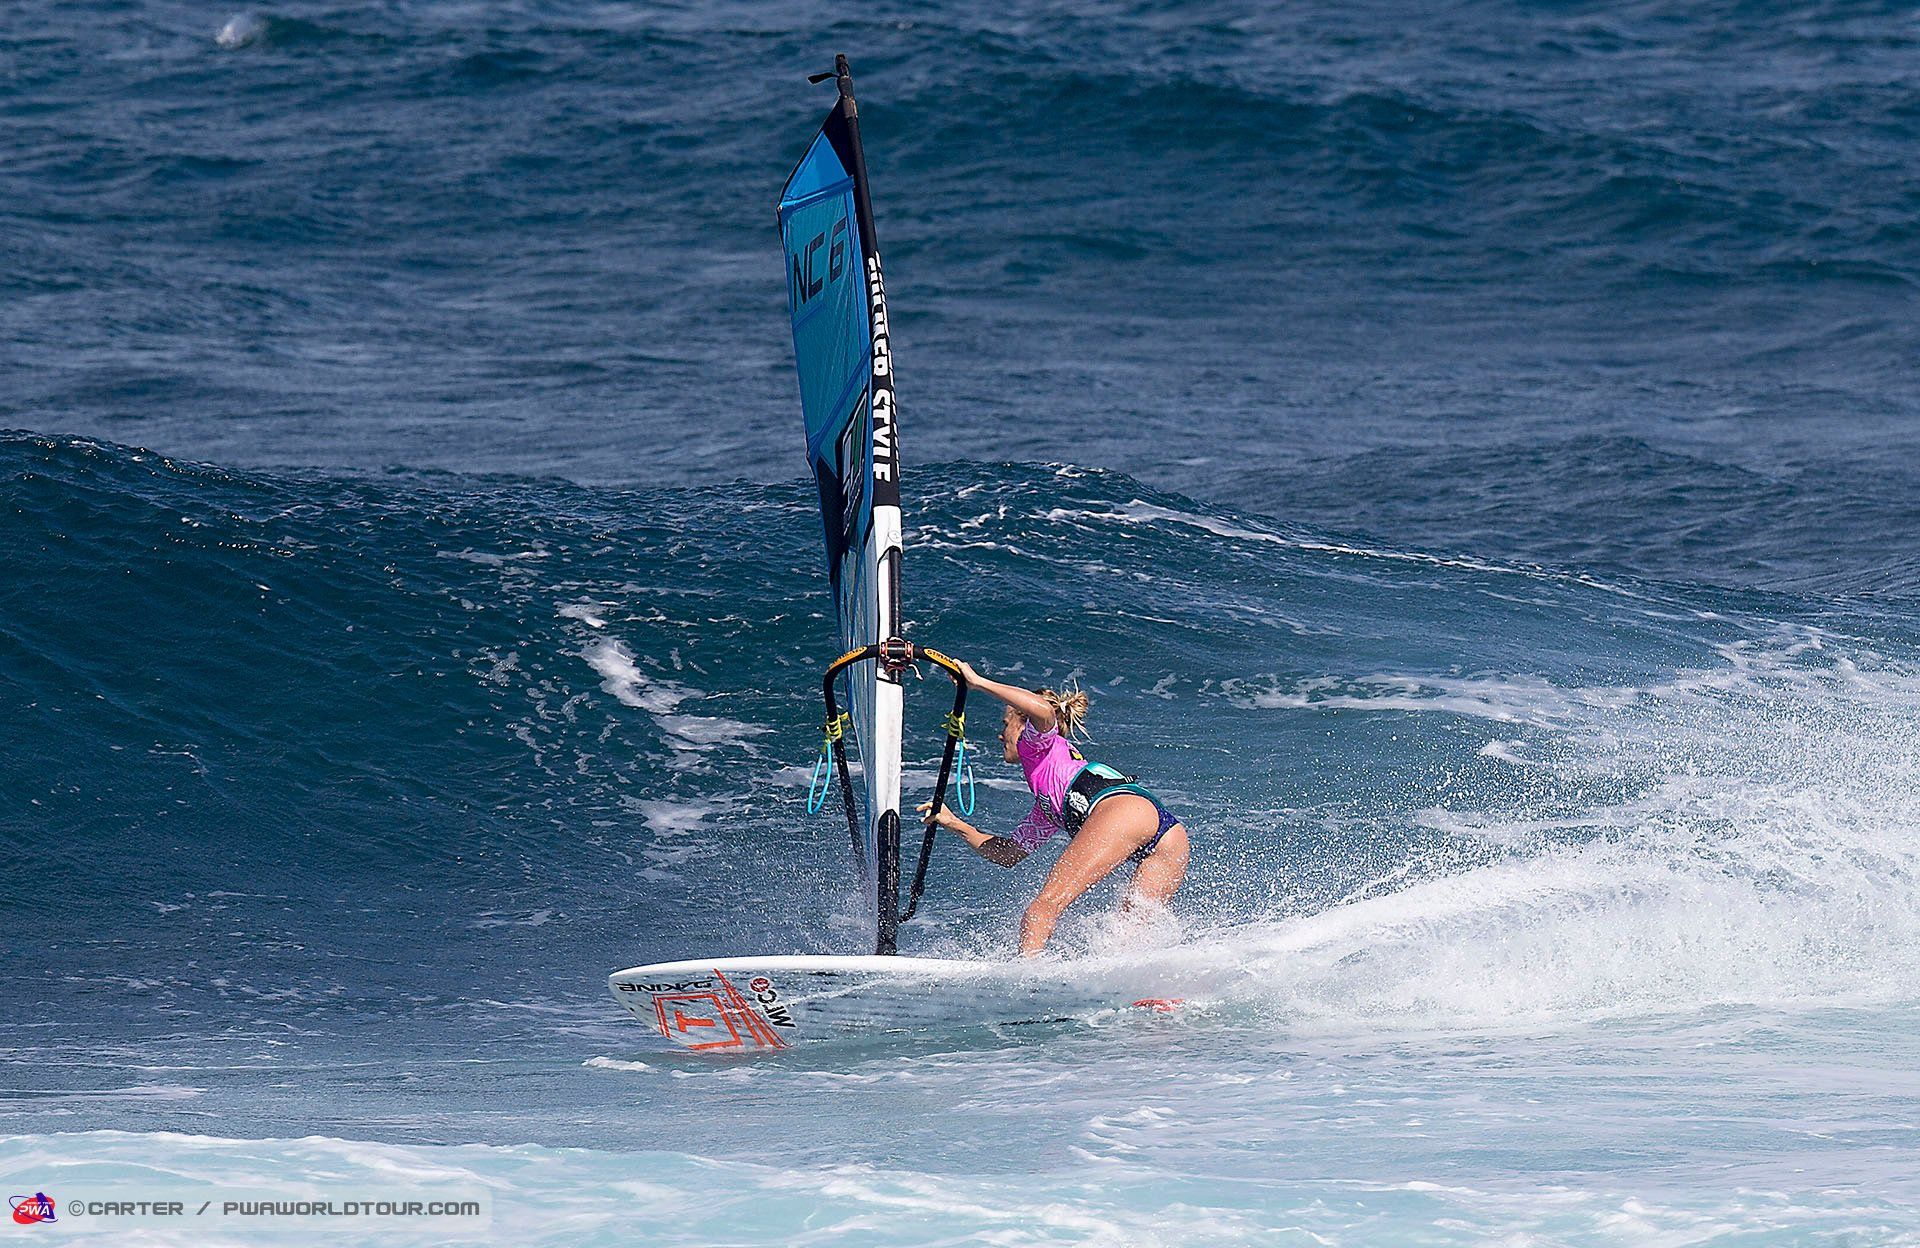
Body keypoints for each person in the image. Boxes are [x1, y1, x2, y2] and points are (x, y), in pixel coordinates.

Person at [919, 660, 1189, 955]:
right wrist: (952, 822)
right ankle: (1150, 991)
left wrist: (978, 683)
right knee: (1131, 936)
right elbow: (1008, 854)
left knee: (1044, 907)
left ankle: (1026, 981)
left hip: (1122, 812)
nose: (1001, 735)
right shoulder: (1049, 802)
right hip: (1169, 834)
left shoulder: (1035, 745)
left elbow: (1044, 712)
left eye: (1005, 724)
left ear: (1024, 724)